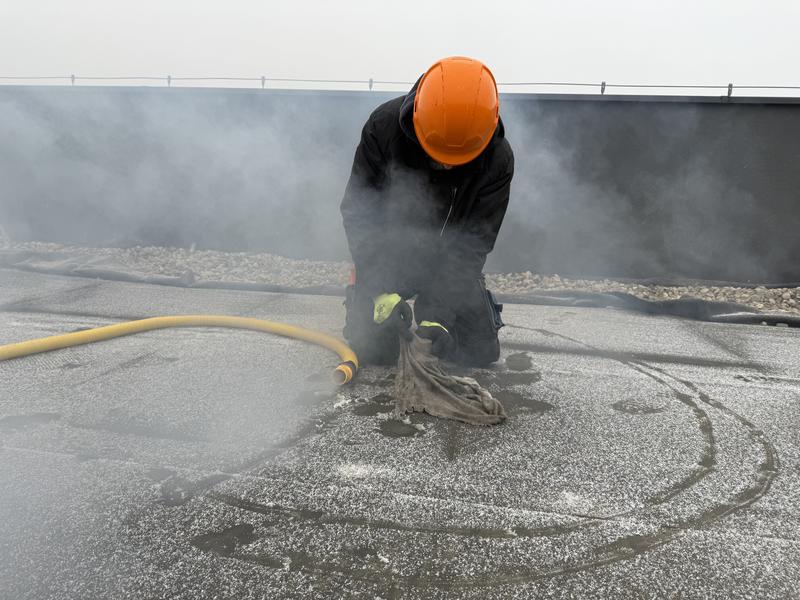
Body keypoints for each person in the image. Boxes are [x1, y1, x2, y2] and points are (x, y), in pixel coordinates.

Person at [340, 56, 514, 366]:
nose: (445, 165)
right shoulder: (383, 128)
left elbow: (473, 242)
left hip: (447, 265)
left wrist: (439, 313)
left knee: (478, 351)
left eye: (456, 160)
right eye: (438, 155)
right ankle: (362, 294)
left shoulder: (497, 160)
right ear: (417, 117)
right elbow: (360, 212)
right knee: (375, 351)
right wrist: (379, 288)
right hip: (389, 257)